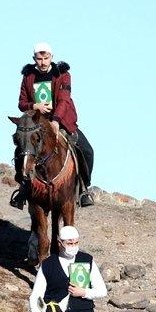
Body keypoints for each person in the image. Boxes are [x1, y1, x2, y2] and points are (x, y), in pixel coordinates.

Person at [12, 42, 95, 209]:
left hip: (61, 120)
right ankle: (23, 188)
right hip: (36, 123)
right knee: (22, 148)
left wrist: (56, 120)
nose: (42, 62)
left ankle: (83, 189)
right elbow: (21, 103)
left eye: (46, 58)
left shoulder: (63, 74)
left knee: (87, 150)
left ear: (52, 58)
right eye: (39, 58)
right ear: (34, 58)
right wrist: (34, 107)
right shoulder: (28, 75)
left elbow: (64, 100)